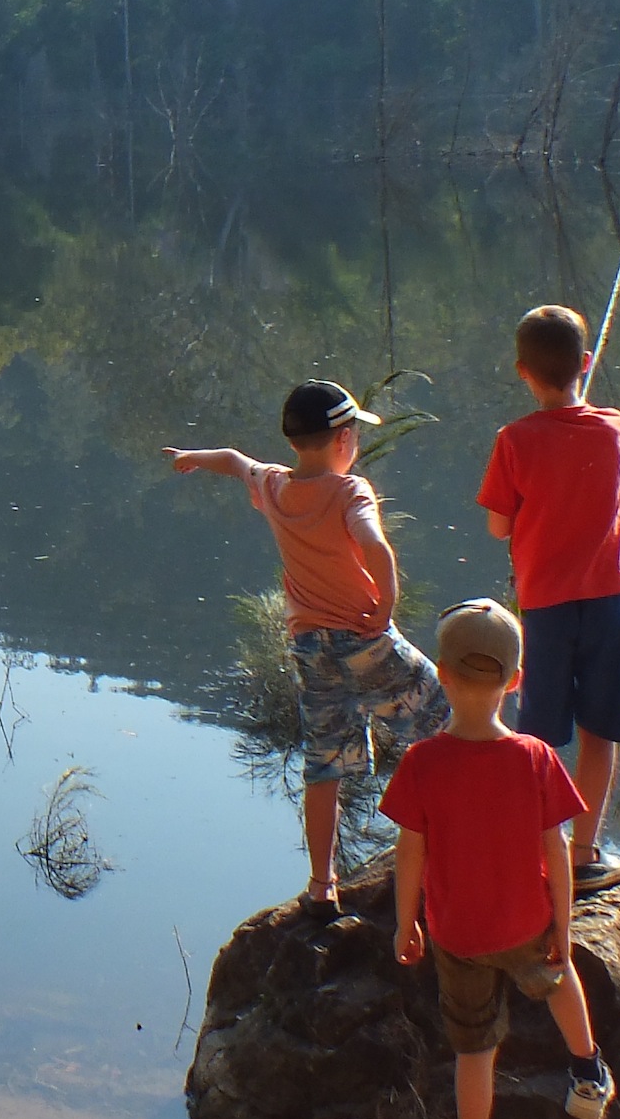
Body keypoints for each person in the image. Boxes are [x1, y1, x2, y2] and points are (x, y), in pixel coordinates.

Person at [168, 380, 450, 909]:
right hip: (366, 643)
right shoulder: (350, 492)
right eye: (355, 436)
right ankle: (455, 844)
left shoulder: (275, 487)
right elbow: (375, 546)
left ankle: (322, 885)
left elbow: (233, 460)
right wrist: (386, 602)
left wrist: (190, 458)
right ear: (343, 440)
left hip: (311, 651)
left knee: (324, 763)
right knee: (445, 719)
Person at [383, 598, 614, 1119]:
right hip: (526, 922)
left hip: (458, 935)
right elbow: (558, 849)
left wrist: (406, 925)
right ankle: (588, 1073)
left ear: (441, 674)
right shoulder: (535, 758)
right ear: (516, 681)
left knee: (474, 1051)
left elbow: (410, 854)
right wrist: (563, 925)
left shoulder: (422, 762)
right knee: (557, 977)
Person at [477, 303, 620, 886]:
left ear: (523, 371)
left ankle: (530, 847)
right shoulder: (615, 426)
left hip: (545, 603)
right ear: (587, 363)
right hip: (609, 599)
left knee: (537, 732)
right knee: (602, 727)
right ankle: (585, 853)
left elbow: (499, 525)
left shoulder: (514, 439)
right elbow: (612, 492)